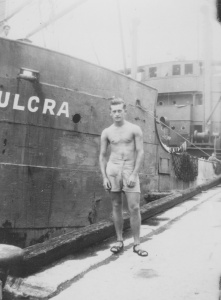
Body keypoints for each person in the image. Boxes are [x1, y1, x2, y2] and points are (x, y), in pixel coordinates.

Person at [99, 97, 148, 256]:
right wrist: (105, 177)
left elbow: (140, 152)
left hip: (128, 169)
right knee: (116, 206)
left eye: (120, 110)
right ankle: (119, 240)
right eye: (114, 111)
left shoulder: (134, 129)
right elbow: (102, 156)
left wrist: (134, 173)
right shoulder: (106, 132)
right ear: (110, 113)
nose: (117, 113)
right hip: (113, 169)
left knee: (134, 207)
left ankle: (137, 244)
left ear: (125, 111)